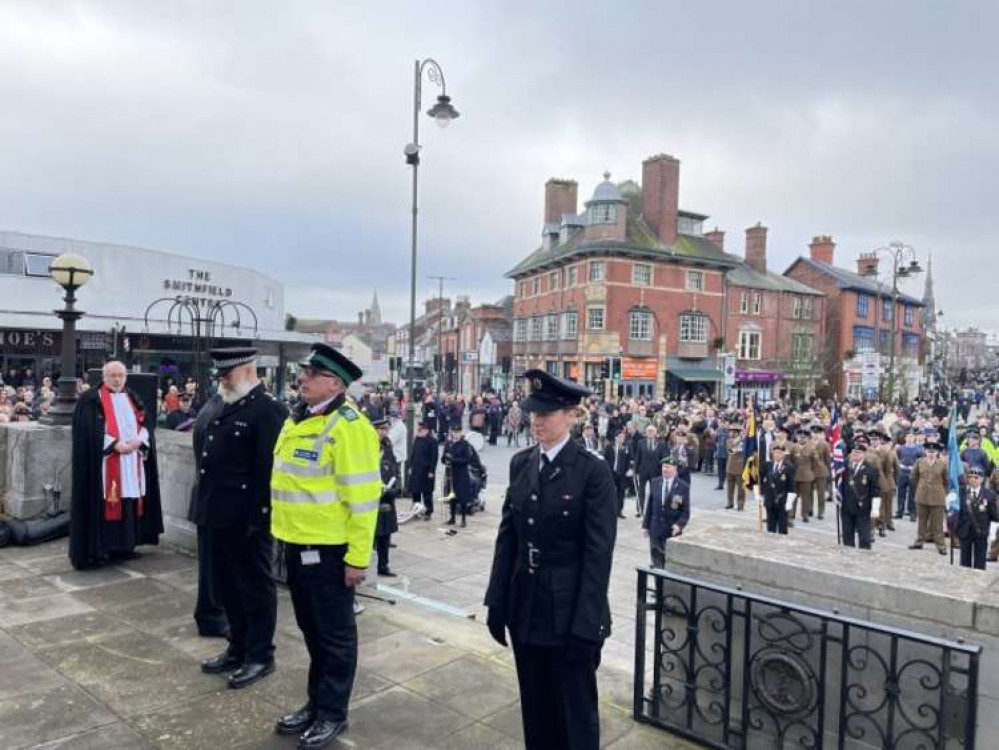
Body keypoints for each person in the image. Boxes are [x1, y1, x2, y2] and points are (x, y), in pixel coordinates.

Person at [484, 369, 617, 750]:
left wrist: (585, 627)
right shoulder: (522, 463)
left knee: (574, 716)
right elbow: (507, 537)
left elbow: (598, 557)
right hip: (526, 607)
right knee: (536, 710)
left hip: (569, 612)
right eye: (533, 412)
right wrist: (496, 602)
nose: (537, 420)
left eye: (547, 413)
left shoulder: (593, 472)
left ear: (572, 415)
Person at [270, 343, 381, 748]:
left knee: (335, 637)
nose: (302, 379)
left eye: (310, 374)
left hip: (330, 552)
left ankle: (332, 712)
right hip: (295, 545)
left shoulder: (350, 428)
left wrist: (356, 559)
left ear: (333, 382)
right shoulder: (297, 418)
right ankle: (315, 703)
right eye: (304, 373)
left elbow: (364, 502)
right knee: (312, 631)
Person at [192, 349, 287, 689]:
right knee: (227, 586)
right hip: (217, 513)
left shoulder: (269, 409)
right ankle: (237, 646)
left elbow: (269, 471)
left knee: (254, 589)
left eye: (227, 374)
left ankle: (261, 655)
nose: (221, 380)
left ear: (248, 372)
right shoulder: (226, 402)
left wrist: (260, 519)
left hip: (247, 519)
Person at [69, 361, 163, 570]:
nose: (117, 379)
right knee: (108, 504)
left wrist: (141, 439)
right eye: (112, 375)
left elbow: (145, 422)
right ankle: (104, 549)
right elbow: (87, 432)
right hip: (106, 463)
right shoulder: (91, 399)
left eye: (120, 375)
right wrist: (113, 444)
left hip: (132, 461)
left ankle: (126, 546)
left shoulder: (132, 396)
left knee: (129, 502)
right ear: (104, 376)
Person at [642, 456, 689, 568]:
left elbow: (685, 511)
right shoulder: (655, 482)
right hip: (655, 529)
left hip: (671, 531)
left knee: (670, 563)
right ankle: (658, 584)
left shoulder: (682, 487)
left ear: (675, 469)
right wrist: (645, 526)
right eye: (664, 467)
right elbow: (649, 506)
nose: (665, 470)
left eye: (668, 467)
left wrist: (679, 525)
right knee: (656, 561)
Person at [908, 440, 949, 556]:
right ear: (925, 452)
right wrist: (921, 486)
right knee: (921, 521)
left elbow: (946, 481)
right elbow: (913, 476)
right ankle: (919, 541)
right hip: (922, 495)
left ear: (937, 453)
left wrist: (940, 490)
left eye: (934, 451)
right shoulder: (920, 462)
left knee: (937, 523)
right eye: (928, 451)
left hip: (937, 497)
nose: (931, 453)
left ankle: (940, 545)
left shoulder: (942, 464)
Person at [838, 438, 879, 549]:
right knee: (847, 537)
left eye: (858, 453)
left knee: (864, 538)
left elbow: (875, 490)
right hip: (846, 506)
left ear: (864, 454)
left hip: (863, 508)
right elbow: (839, 483)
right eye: (853, 453)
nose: (855, 455)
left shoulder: (871, 470)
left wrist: (875, 508)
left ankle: (864, 561)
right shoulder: (844, 468)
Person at [372, 418, 400, 577]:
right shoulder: (369, 445)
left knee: (385, 534)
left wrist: (395, 486)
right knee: (373, 534)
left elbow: (394, 467)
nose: (384, 432)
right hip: (373, 497)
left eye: (386, 429)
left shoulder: (387, 446)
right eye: (381, 429)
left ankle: (383, 565)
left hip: (388, 496)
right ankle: (370, 565)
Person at [957, 466, 998, 570]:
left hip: (981, 530)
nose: (973, 479)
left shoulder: (990, 495)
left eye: (976, 477)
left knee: (980, 561)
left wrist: (992, 531)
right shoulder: (961, 492)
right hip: (965, 530)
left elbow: (994, 515)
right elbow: (957, 512)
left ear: (982, 479)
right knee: (964, 560)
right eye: (970, 477)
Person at [442, 423, 474, 527]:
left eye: (458, 432)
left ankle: (463, 519)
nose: (456, 434)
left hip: (461, 474)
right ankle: (452, 518)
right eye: (454, 432)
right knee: (452, 497)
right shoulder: (448, 443)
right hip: (450, 474)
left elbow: (467, 459)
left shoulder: (465, 444)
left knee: (462, 497)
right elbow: (443, 458)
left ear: (461, 433)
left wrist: (453, 460)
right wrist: (445, 459)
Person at [633, 425, 667, 518]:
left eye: (652, 431)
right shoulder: (641, 443)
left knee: (654, 491)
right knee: (641, 491)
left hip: (655, 471)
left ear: (656, 433)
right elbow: (637, 457)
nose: (650, 433)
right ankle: (640, 509)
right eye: (649, 431)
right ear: (646, 433)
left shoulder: (661, 443)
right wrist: (635, 470)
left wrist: (663, 469)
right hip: (643, 471)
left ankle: (653, 510)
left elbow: (664, 457)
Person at [762, 443, 794, 535]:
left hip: (782, 499)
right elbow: (761, 479)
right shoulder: (767, 465)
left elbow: (792, 486)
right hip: (769, 499)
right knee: (770, 526)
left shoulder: (788, 467)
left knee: (782, 527)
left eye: (780, 452)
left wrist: (789, 501)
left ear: (784, 454)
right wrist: (760, 494)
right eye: (775, 452)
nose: (777, 454)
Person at [409, 421, 438, 520]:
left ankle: (428, 512)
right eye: (418, 430)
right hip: (416, 470)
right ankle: (416, 511)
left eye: (420, 430)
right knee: (415, 492)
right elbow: (413, 453)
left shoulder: (433, 442)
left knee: (427, 493)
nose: (419, 431)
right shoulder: (417, 439)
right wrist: (410, 466)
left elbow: (434, 458)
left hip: (426, 471)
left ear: (427, 430)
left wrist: (431, 471)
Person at [603, 429, 631, 519]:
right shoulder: (609, 447)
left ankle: (619, 510)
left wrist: (628, 470)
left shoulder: (625, 448)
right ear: (616, 437)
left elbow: (628, 461)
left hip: (621, 473)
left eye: (623, 437)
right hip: (611, 472)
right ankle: (609, 510)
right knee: (610, 492)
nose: (622, 439)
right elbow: (605, 459)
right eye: (620, 437)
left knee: (621, 492)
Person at [725, 428, 746, 511]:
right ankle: (730, 503)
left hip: (740, 467)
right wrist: (739, 440)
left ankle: (740, 504)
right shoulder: (729, 441)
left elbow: (743, 451)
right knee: (730, 487)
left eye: (732, 432)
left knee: (741, 488)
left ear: (737, 433)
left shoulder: (744, 441)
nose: (730, 433)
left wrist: (742, 439)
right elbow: (731, 451)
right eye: (730, 432)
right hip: (730, 466)